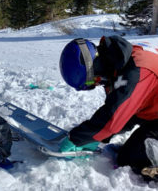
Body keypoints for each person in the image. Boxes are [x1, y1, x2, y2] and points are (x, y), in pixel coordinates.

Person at [59, 35, 158, 181]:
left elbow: (113, 117)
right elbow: (122, 110)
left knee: (134, 160)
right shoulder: (119, 59)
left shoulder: (135, 72)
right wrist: (96, 136)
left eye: (94, 80)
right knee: (128, 154)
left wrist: (77, 138)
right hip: (151, 110)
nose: (98, 83)